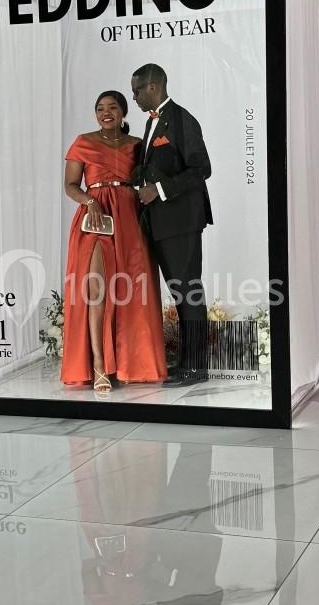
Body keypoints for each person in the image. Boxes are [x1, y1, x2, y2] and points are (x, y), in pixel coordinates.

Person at [61, 90, 167, 392]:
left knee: (132, 290)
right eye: (100, 108)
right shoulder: (82, 142)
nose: (105, 112)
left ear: (123, 113)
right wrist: (90, 201)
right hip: (96, 220)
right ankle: (98, 366)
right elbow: (70, 185)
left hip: (131, 220)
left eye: (112, 107)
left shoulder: (137, 145)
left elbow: (147, 178)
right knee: (96, 291)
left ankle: (132, 364)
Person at [130, 63, 213, 388]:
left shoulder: (181, 119)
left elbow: (201, 168)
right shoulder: (153, 122)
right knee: (180, 294)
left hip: (181, 221)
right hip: (162, 223)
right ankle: (187, 362)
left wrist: (159, 190)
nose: (133, 96)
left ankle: (197, 367)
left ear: (153, 87)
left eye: (137, 90)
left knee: (189, 292)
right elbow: (158, 165)